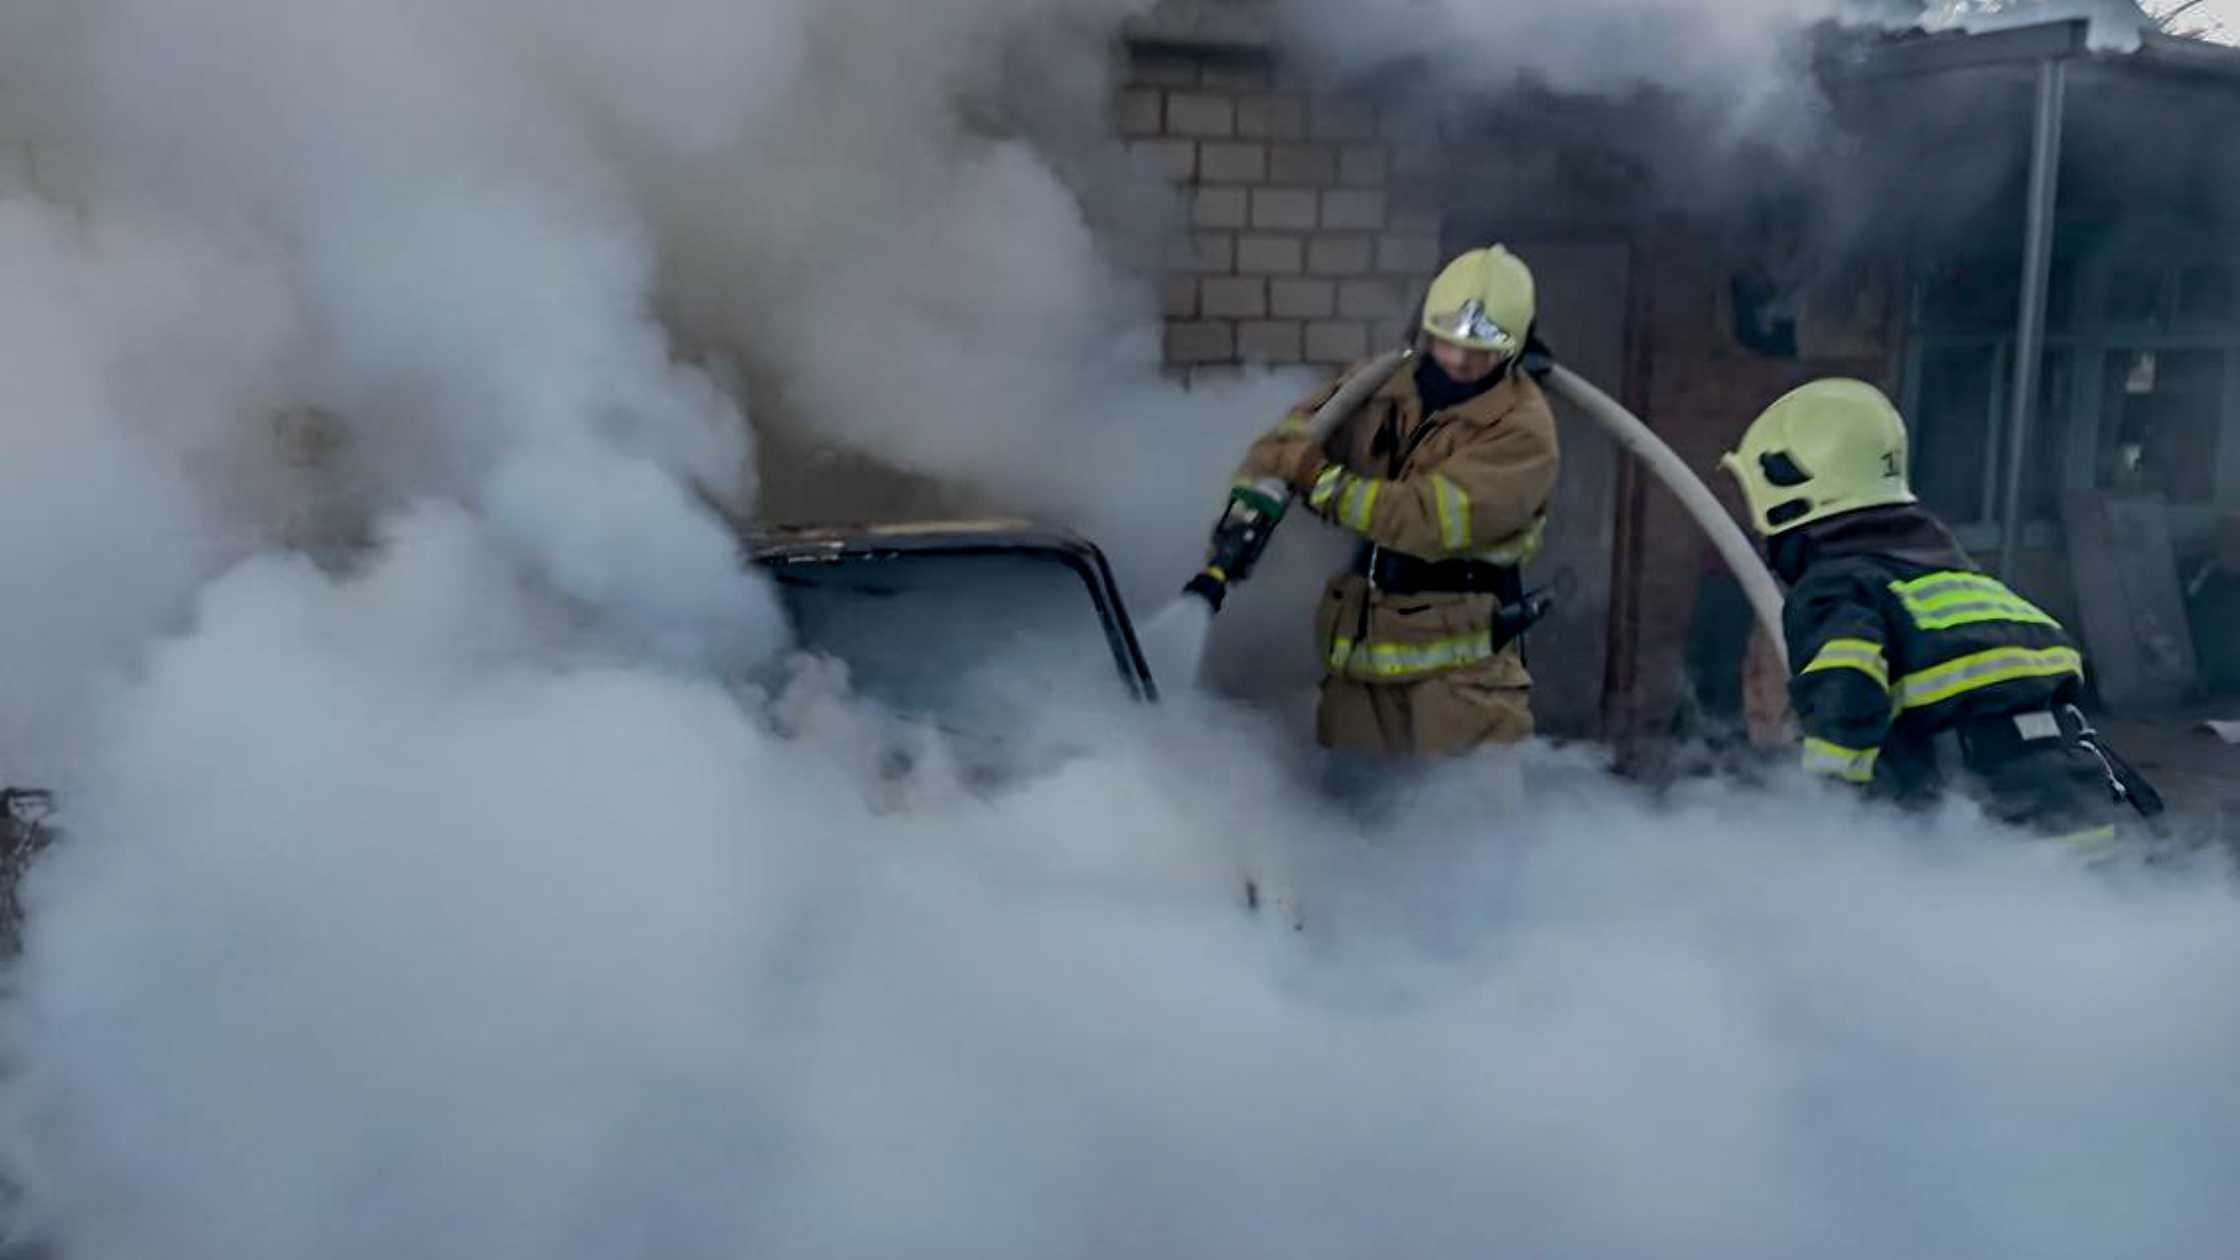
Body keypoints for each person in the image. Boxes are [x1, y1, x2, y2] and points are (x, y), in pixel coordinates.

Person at [1720, 378, 2161, 852]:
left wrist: (1820, 821)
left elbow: (1844, 706)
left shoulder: (1837, 587)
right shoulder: (1977, 589)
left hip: (1983, 841)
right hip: (2085, 822)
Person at [1226, 245, 1560, 759]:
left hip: (1460, 681)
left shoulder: (1523, 430)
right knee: (1352, 828)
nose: (1462, 359)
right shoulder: (1380, 384)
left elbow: (1422, 518)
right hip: (1362, 661)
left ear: (1514, 347)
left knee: (1468, 830)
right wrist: (1252, 503)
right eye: (1449, 341)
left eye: (1484, 350)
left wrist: (1319, 482)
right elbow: (1292, 439)